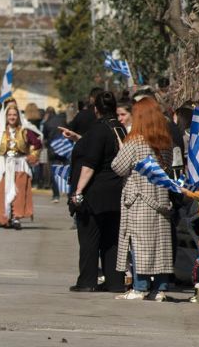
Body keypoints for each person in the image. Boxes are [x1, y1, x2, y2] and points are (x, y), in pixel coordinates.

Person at [111, 97, 174, 301]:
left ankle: (140, 286)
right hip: (161, 198)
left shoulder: (135, 141)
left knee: (139, 244)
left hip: (139, 200)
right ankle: (161, 288)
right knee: (161, 245)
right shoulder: (165, 141)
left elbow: (118, 167)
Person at [67, 91, 124, 292]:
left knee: (90, 238)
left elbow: (90, 164)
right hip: (117, 192)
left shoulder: (99, 131)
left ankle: (88, 281)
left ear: (96, 110)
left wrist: (78, 191)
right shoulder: (119, 128)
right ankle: (115, 281)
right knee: (112, 240)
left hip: (96, 193)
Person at [0, 102, 42, 230]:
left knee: (19, 192)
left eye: (14, 114)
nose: (12, 117)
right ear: (6, 116)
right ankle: (4, 217)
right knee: (2, 191)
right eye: (9, 115)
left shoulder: (24, 131)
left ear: (18, 116)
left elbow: (37, 143)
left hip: (20, 165)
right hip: (3, 165)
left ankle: (16, 217)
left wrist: (33, 155)